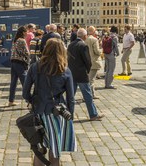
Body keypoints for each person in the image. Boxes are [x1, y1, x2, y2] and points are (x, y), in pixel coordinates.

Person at [22, 38, 76, 166]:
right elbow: (71, 98)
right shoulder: (65, 69)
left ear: (45, 49)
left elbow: (25, 93)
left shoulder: (35, 67)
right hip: (57, 113)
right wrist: (70, 115)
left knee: (39, 149)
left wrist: (32, 101)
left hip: (39, 112)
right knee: (54, 149)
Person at [67, 28, 104, 121]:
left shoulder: (70, 45)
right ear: (85, 36)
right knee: (88, 95)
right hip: (82, 74)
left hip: (72, 73)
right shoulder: (83, 45)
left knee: (71, 96)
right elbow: (88, 61)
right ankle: (93, 114)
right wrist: (87, 71)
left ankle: (69, 115)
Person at [9, 26, 30, 106]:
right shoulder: (22, 40)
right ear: (23, 32)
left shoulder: (15, 40)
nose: (27, 33)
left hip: (13, 62)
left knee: (13, 83)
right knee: (25, 83)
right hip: (20, 63)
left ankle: (11, 101)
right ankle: (29, 101)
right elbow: (26, 53)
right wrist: (28, 62)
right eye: (26, 32)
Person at [85, 26, 102, 98]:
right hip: (94, 61)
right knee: (91, 80)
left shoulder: (85, 39)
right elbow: (97, 52)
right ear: (93, 31)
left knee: (89, 78)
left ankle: (91, 94)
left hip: (87, 61)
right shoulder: (94, 40)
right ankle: (90, 95)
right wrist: (101, 50)